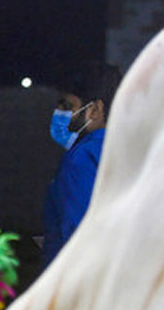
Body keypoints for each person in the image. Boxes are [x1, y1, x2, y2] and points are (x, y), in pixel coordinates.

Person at [42, 62, 122, 266]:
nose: (58, 113)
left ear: (95, 110)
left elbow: (79, 236)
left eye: (67, 106)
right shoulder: (128, 150)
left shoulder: (81, 158)